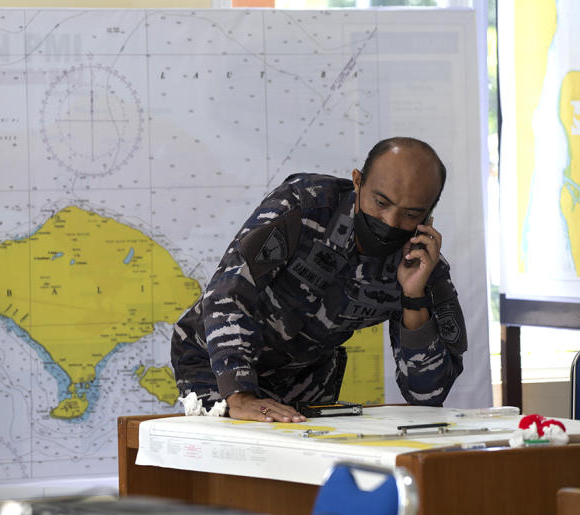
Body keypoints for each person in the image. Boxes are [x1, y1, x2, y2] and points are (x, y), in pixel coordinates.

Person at [171, 137, 467, 423]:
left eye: (411, 213)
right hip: (218, 365)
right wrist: (241, 395)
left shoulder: (422, 265)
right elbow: (227, 295)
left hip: (303, 383)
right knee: (235, 456)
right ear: (357, 181)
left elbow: (428, 395)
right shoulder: (303, 206)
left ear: (429, 215)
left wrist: (413, 297)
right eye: (380, 202)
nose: (390, 221)